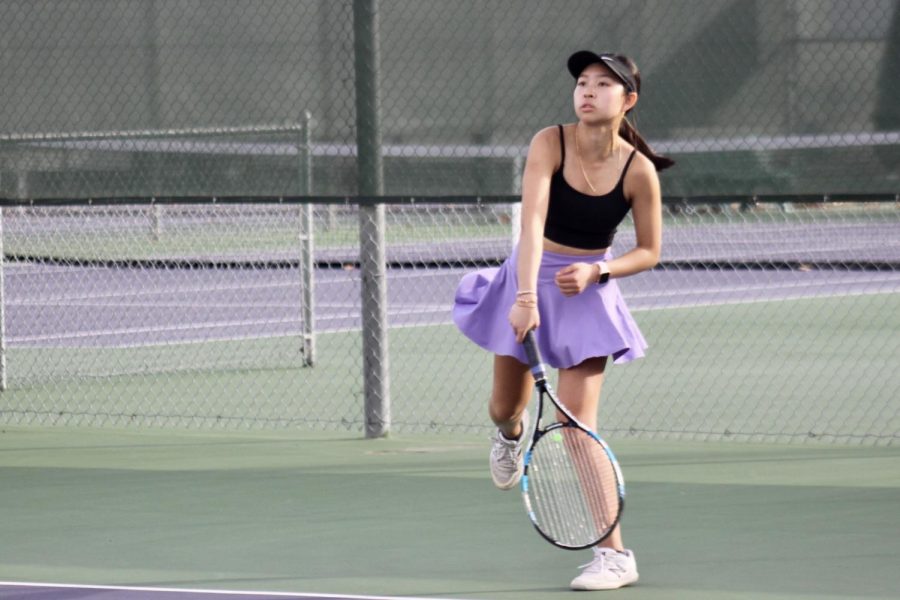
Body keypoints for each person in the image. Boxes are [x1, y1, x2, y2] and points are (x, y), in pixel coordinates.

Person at [453, 50, 673, 591]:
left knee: (579, 429)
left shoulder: (638, 171)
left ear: (629, 100)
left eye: (603, 83)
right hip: (529, 278)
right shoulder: (548, 142)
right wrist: (525, 295)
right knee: (505, 406)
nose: (588, 91)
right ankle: (509, 435)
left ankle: (615, 557)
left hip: (586, 294)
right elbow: (530, 224)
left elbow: (649, 251)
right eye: (582, 82)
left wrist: (599, 270)